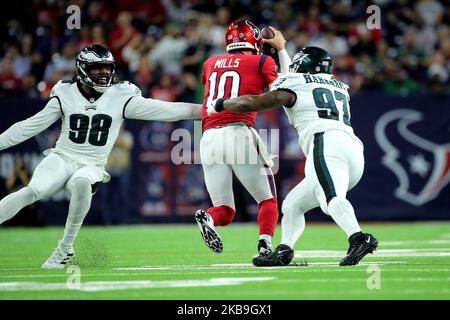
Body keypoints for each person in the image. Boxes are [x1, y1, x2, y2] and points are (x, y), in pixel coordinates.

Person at [0, 44, 201, 269]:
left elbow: (166, 110)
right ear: (82, 69)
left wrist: (205, 111)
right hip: (63, 156)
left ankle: (65, 248)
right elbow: (29, 126)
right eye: (97, 68)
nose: (104, 73)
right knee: (31, 192)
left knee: (81, 182)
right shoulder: (65, 92)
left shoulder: (121, 95)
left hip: (92, 164)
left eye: (107, 68)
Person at [207, 46, 379, 266]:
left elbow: (254, 102)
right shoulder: (339, 86)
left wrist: (221, 104)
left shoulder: (297, 84)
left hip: (326, 143)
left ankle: (358, 237)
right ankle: (285, 249)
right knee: (293, 204)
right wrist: (281, 48)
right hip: (352, 150)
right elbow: (294, 80)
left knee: (331, 199)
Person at [194, 20, 292, 258]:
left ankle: (208, 217)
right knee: (267, 201)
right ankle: (265, 245)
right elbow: (287, 87)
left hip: (208, 138)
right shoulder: (261, 60)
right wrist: (280, 50)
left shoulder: (209, 63)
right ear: (253, 41)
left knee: (224, 211)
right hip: (238, 132)